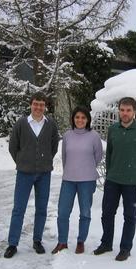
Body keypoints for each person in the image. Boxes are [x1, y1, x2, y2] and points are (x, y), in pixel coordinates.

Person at [93, 97, 136, 261]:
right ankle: (106, 243)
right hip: (113, 180)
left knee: (129, 216)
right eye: (122, 110)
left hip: (131, 182)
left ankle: (125, 248)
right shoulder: (113, 129)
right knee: (107, 214)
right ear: (118, 111)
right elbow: (110, 154)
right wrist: (108, 174)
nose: (125, 113)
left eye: (128, 110)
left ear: (134, 112)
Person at [4, 92, 59, 258]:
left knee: (41, 209)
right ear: (31, 105)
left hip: (44, 174)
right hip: (24, 173)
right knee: (18, 209)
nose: (38, 107)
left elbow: (53, 147)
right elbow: (13, 147)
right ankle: (12, 244)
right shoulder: (21, 123)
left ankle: (37, 240)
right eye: (36, 104)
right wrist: (22, 161)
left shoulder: (51, 125)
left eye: (41, 105)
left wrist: (44, 161)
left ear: (45, 107)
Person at [51, 106, 103, 255]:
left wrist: (85, 167)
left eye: (83, 118)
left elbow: (98, 156)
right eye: (77, 117)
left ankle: (81, 241)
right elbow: (65, 157)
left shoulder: (94, 136)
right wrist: (72, 170)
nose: (80, 120)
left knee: (85, 212)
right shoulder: (67, 135)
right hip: (68, 180)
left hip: (87, 180)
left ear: (88, 120)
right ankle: (62, 242)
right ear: (73, 119)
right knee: (62, 212)